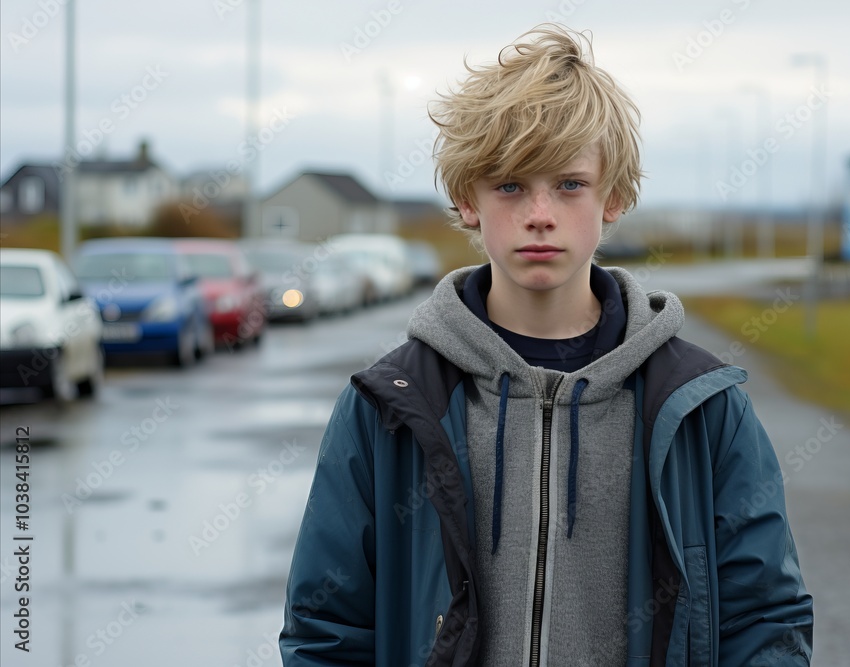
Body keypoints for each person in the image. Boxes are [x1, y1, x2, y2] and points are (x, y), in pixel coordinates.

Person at [279, 24, 813, 666]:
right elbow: (327, 628)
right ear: (467, 199)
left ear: (614, 196)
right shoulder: (389, 406)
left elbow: (765, 619)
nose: (539, 213)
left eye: (569, 184)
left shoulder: (701, 408)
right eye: (509, 185)